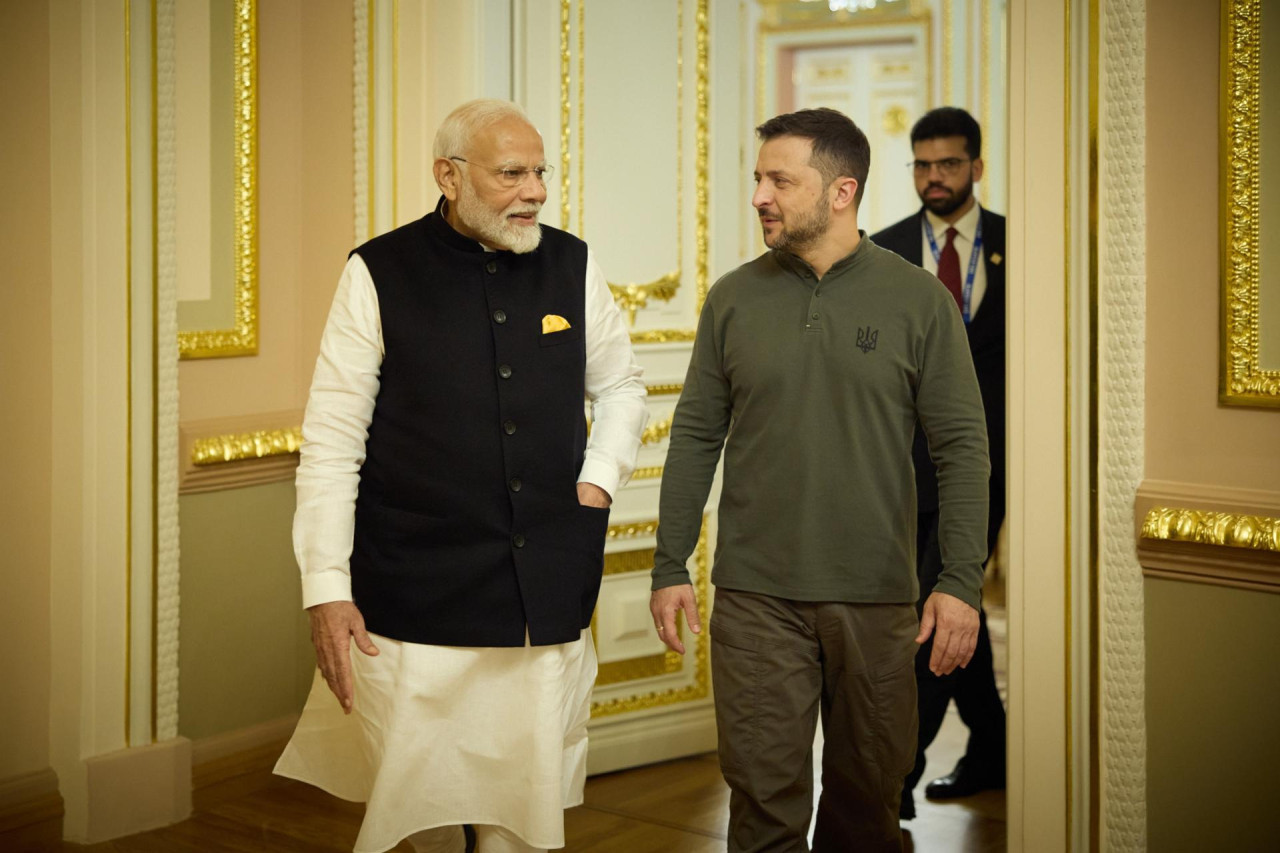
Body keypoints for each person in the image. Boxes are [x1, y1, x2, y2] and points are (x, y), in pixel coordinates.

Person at [274, 98, 647, 853]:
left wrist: (598, 478)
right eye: (512, 172)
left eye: (540, 171)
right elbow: (333, 441)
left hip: (540, 590)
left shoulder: (573, 263)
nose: (535, 190)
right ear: (449, 176)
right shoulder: (377, 272)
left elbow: (624, 386)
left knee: (524, 808)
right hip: (413, 597)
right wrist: (326, 586)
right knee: (422, 810)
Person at [650, 107, 991, 852]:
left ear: (842, 191)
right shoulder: (733, 299)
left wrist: (961, 580)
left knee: (865, 811)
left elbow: (962, 447)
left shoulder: (919, 302)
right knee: (763, 808)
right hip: (755, 599)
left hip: (875, 599)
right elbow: (697, 433)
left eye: (780, 179)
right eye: (757, 178)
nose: (759, 196)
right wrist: (669, 562)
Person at [871, 106, 1007, 820]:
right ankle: (995, 743)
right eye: (921, 165)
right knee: (956, 603)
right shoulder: (885, 249)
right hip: (904, 463)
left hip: (997, 464)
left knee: (939, 601)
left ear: (976, 167)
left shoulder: (1019, 245)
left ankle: (899, 773)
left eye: (948, 164)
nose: (933, 177)